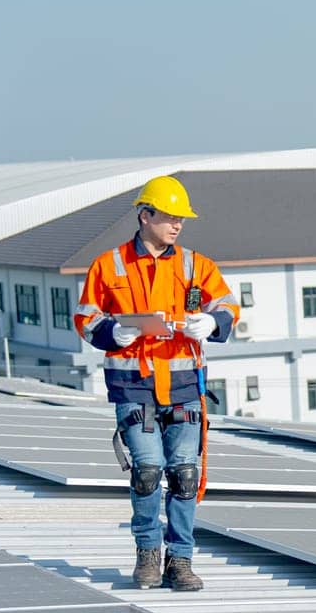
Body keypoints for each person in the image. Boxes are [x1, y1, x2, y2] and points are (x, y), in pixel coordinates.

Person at [74, 175, 237, 591]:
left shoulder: (196, 266)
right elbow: (85, 318)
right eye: (169, 216)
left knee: (184, 474)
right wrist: (112, 333)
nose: (177, 225)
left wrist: (213, 321)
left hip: (184, 385)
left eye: (181, 218)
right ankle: (147, 554)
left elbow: (228, 307)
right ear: (145, 216)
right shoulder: (108, 266)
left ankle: (179, 561)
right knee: (147, 471)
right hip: (134, 387)